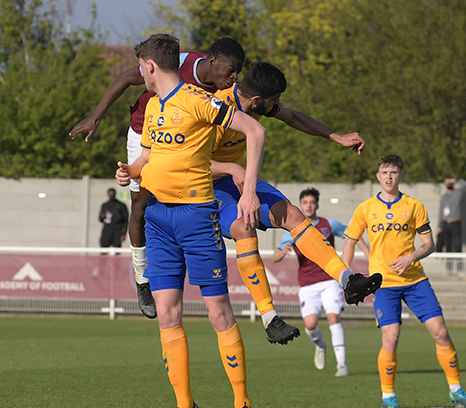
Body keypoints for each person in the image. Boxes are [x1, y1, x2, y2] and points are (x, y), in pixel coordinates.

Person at [114, 33, 265, 408]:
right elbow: (147, 158)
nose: (141, 76)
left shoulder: (199, 101)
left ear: (150, 67)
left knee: (218, 312)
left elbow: (255, 129)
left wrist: (248, 190)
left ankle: (241, 401)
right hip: (158, 219)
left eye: (142, 69)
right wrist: (129, 170)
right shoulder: (151, 107)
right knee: (167, 313)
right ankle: (185, 404)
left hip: (197, 217)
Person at [70, 37, 246, 319]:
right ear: (213, 62)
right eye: (231, 70)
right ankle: (142, 280)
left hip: (179, 144)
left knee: (174, 203)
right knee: (140, 206)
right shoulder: (181, 61)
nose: (235, 77)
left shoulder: (226, 91)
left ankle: (175, 268)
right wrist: (95, 116)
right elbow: (126, 77)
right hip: (144, 133)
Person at [209, 62, 382, 342]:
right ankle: (269, 319)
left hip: (237, 180)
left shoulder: (253, 104)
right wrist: (231, 168)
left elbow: (294, 118)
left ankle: (348, 281)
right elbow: (186, 161)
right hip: (205, 187)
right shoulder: (214, 109)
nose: (278, 105)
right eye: (274, 100)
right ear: (256, 100)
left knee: (293, 214)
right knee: (244, 227)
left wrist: (336, 136)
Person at [342, 155, 466, 408]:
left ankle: (456, 389)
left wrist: (411, 256)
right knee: (391, 338)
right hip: (382, 284)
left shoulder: (414, 205)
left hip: (415, 280)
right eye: (384, 172)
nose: (389, 176)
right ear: (378, 176)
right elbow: (349, 242)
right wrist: (345, 278)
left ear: (401, 175)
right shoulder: (366, 208)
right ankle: (388, 398)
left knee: (441, 333)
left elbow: (430, 244)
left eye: (394, 172)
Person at [272, 187, 370, 377]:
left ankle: (342, 365)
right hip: (307, 284)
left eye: (312, 202)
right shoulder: (293, 227)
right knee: (310, 325)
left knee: (334, 318)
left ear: (317, 204)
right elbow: (276, 256)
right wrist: (281, 252)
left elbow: (352, 234)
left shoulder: (328, 224)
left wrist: (368, 254)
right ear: (299, 205)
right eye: (305, 203)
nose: (309, 206)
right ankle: (320, 345)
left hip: (329, 280)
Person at [437, 177, 466, 274]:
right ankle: (449, 269)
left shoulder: (458, 193)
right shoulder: (444, 197)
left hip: (455, 223)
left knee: (458, 245)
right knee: (448, 247)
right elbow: (440, 212)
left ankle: (460, 269)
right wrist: (439, 226)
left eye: (450, 182)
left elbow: (465, 184)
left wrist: (454, 180)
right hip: (446, 223)